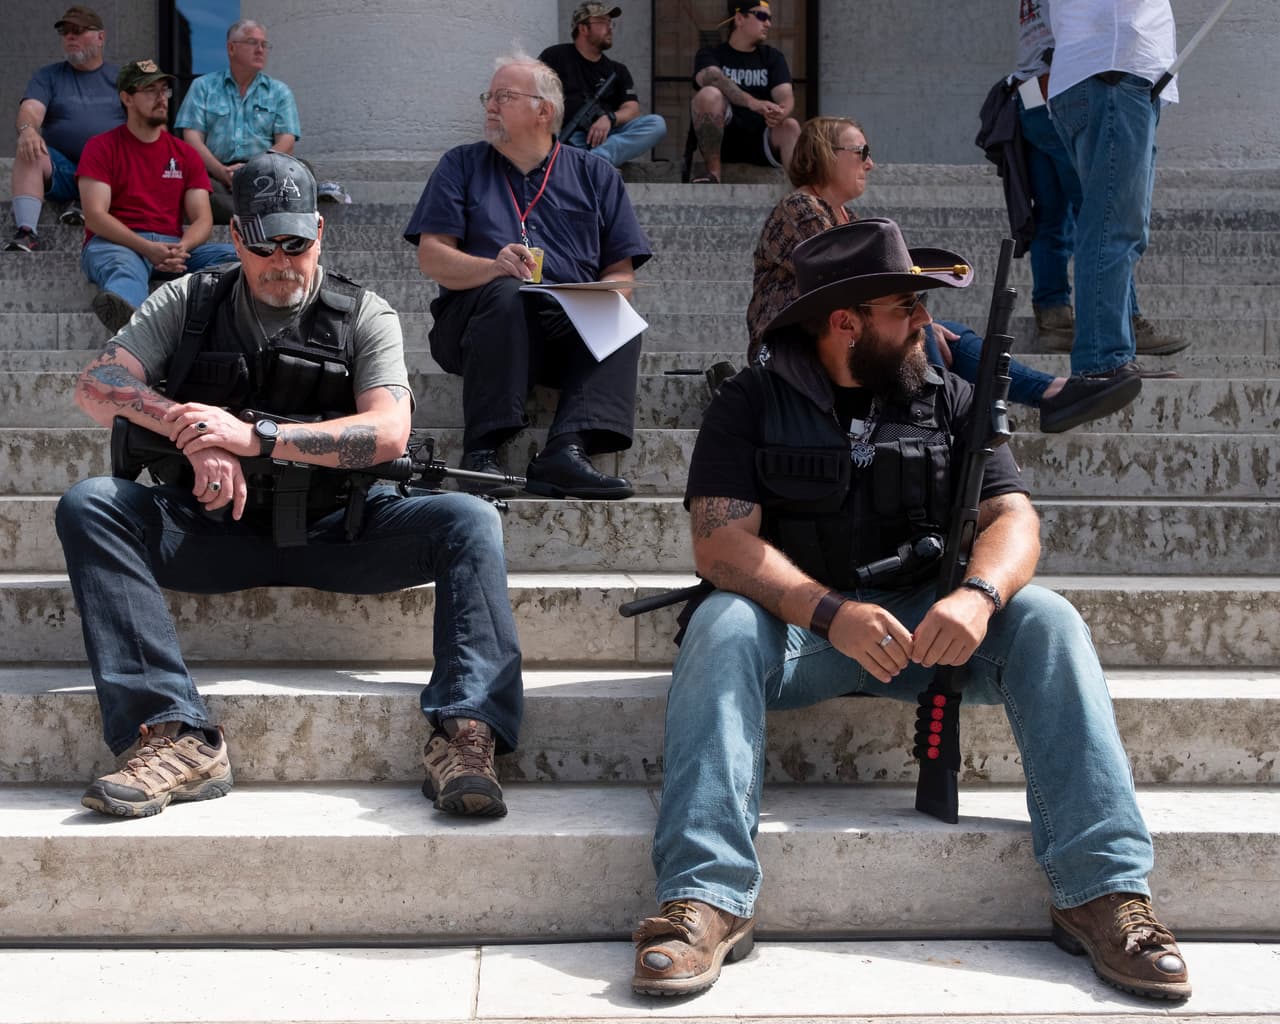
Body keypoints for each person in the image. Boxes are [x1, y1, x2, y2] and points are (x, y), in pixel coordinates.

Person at [630, 217, 1190, 1003]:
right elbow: (721, 545)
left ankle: (1103, 892)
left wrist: (978, 593)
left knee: (1052, 621)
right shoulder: (750, 402)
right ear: (844, 322)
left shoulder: (952, 396)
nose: (927, 322)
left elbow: (1015, 520)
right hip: (798, 633)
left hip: (931, 630)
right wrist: (830, 614)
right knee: (721, 622)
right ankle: (705, 897)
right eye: (905, 308)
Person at [56, 151, 523, 821]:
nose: (282, 259)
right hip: (215, 526)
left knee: (471, 520)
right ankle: (173, 735)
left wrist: (255, 438)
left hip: (344, 532)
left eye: (297, 243)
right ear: (236, 236)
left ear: (319, 235)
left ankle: (466, 735)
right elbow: (98, 384)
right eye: (263, 242)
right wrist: (189, 431)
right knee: (90, 505)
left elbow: (390, 431)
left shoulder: (366, 313)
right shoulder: (190, 299)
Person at [747, 116, 1140, 434]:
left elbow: (874, 290)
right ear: (826, 154)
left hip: (846, 332)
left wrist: (915, 319)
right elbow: (842, 285)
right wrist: (913, 322)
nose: (871, 163)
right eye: (861, 152)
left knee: (952, 335)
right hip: (794, 345)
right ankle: (939, 424)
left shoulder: (850, 219)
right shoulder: (800, 207)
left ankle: (1049, 394)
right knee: (921, 335)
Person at [404, 51, 652, 500]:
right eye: (489, 96)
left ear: (545, 110)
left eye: (504, 96)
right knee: (507, 291)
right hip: (476, 326)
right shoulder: (460, 165)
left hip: (560, 332)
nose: (490, 106)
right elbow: (432, 257)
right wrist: (492, 267)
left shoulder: (596, 174)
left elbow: (622, 275)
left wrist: (590, 299)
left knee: (618, 315)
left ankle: (567, 449)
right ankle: (482, 450)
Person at [1015, 0, 1187, 359]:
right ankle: (1103, 358)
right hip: (1111, 72)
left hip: (1101, 74)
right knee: (1112, 228)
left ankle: (1103, 345)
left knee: (1105, 224)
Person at [76, 59, 238, 332]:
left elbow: (202, 218)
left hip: (173, 247)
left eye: (164, 90)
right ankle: (134, 325)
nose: (161, 98)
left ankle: (219, 317)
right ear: (127, 97)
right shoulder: (100, 147)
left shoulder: (185, 154)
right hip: (117, 242)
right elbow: (95, 216)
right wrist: (146, 247)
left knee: (240, 255)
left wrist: (182, 247)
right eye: (151, 91)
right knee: (123, 266)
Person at [5, 5, 124, 252]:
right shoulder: (48, 75)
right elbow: (31, 109)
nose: (70, 36)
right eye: (66, 31)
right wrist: (28, 130)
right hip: (64, 170)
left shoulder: (123, 78)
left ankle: (85, 201)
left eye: (78, 30)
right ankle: (27, 231)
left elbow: (148, 124)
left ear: (101, 37)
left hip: (111, 173)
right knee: (30, 147)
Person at [174, 18, 303, 224]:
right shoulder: (203, 87)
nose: (260, 50)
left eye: (264, 44)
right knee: (193, 183)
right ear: (231, 48)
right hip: (215, 175)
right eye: (253, 43)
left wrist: (252, 170)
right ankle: (257, 215)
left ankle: (240, 214)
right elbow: (192, 138)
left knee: (301, 173)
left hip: (264, 175)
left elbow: (286, 142)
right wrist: (222, 172)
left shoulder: (279, 91)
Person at [538, 3, 667, 167]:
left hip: (608, 138)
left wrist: (610, 118)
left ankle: (593, 163)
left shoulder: (617, 70)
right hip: (569, 139)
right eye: (603, 22)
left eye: (610, 22)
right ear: (583, 29)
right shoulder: (556, 56)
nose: (610, 28)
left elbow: (632, 109)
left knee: (656, 124)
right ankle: (593, 162)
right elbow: (532, 93)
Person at [690, 1, 800, 183]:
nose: (768, 24)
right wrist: (753, 103)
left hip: (762, 138)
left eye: (770, 18)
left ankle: (801, 196)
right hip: (723, 137)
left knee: (791, 125)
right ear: (740, 18)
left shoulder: (772, 57)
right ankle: (713, 174)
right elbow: (712, 78)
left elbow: (785, 95)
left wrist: (780, 113)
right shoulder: (711, 53)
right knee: (708, 94)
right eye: (762, 16)